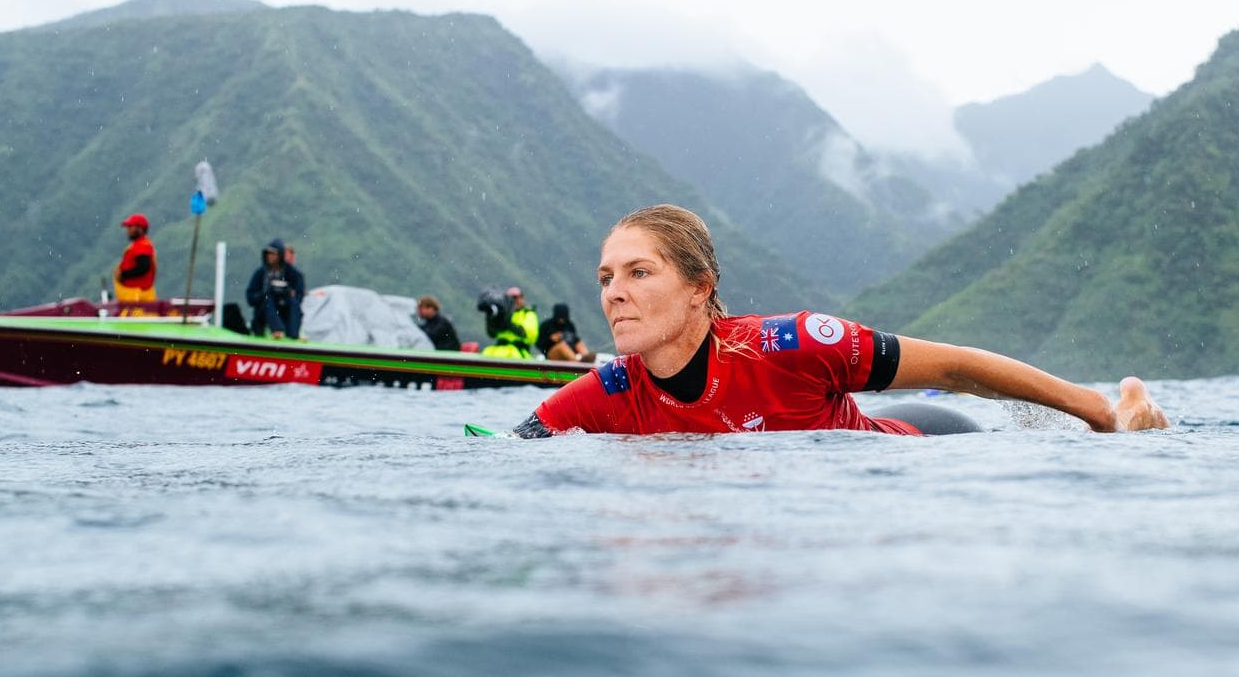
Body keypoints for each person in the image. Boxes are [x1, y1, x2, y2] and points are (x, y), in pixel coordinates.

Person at [507, 204, 1170, 439]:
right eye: (606, 278)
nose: (615, 294)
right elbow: (500, 452)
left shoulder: (789, 345)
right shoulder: (604, 394)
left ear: (699, 289)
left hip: (926, 442)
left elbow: (955, 367)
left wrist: (1098, 413)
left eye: (638, 272)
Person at [245, 239, 304, 339]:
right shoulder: (261, 273)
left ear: (280, 255)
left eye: (273, 254)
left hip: (285, 310)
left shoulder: (292, 272)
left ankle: (294, 334)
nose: (270, 256)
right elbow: (250, 297)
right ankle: (277, 330)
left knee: (293, 303)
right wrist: (265, 293)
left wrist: (287, 293)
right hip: (264, 312)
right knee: (269, 298)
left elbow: (299, 294)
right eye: (268, 254)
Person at [478, 287, 536, 359]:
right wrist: (491, 319)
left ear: (522, 298)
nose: (514, 300)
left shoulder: (528, 314)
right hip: (496, 351)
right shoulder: (501, 314)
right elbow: (492, 334)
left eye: (516, 297)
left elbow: (529, 335)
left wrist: (509, 324)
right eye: (509, 298)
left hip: (518, 353)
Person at [113, 213, 157, 301]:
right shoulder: (140, 244)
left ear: (140, 228)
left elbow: (143, 267)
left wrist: (123, 274)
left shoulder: (142, 245)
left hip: (137, 297)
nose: (127, 230)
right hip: (135, 295)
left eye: (130, 227)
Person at [282, 243, 306, 338]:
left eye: (291, 257)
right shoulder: (273, 273)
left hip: (292, 311)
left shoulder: (298, 275)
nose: (288, 259)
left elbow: (299, 295)